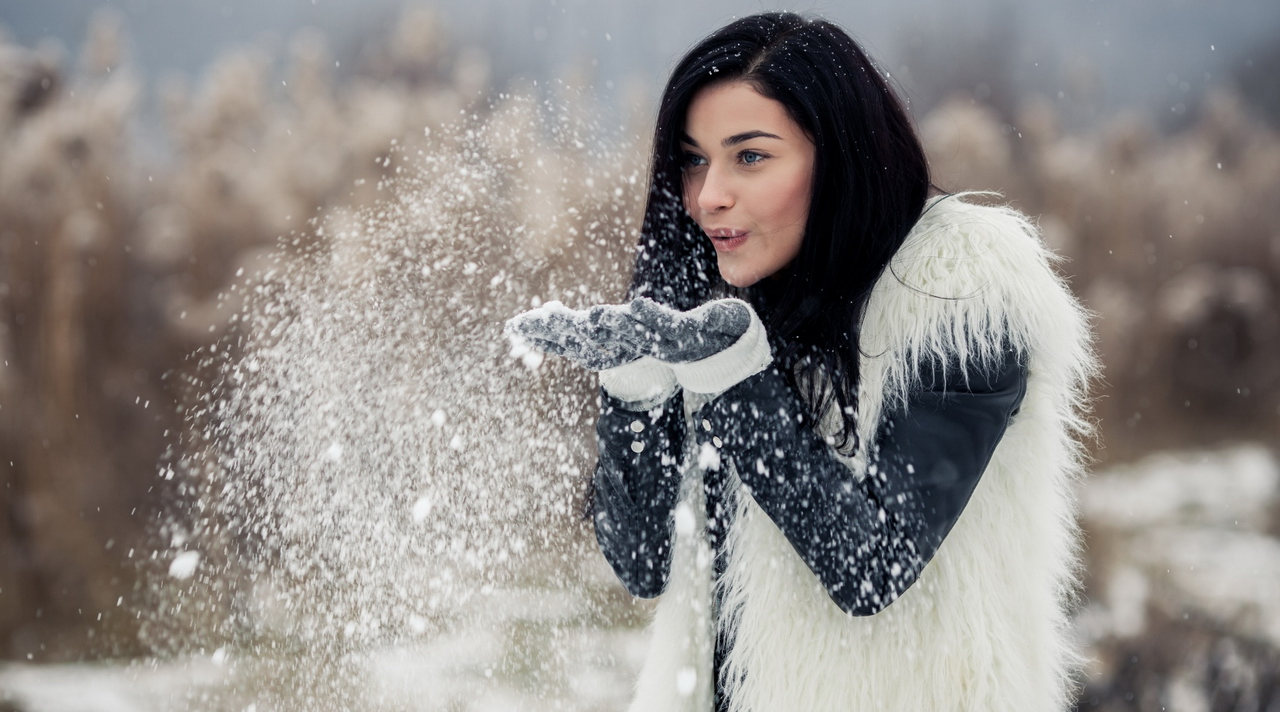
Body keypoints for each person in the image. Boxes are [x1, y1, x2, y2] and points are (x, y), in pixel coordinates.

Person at [505, 12, 1094, 712]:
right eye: (694, 159)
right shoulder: (728, 293)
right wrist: (635, 385)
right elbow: (640, 563)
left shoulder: (960, 294)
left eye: (750, 156)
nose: (708, 195)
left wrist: (734, 378)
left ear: (841, 157)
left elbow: (869, 564)